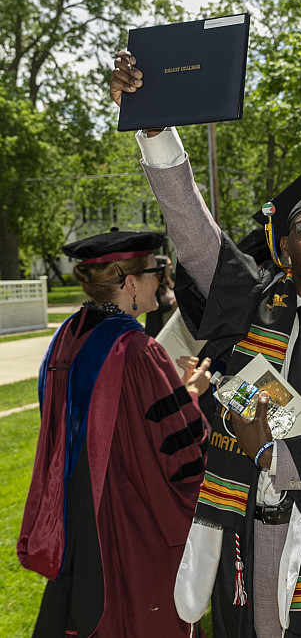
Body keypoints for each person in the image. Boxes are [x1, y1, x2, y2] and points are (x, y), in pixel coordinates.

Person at [111, 51, 301, 638]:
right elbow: (192, 228)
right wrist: (154, 128)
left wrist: (277, 455)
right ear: (285, 246)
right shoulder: (251, 298)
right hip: (245, 522)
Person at [19, 229, 212, 637]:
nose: (161, 279)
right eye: (155, 271)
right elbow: (178, 449)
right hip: (126, 512)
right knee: (130, 612)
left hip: (74, 504)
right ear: (129, 283)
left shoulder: (67, 337)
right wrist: (192, 394)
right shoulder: (137, 349)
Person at [144, 253, 177, 336]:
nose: (171, 267)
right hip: (159, 328)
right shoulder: (154, 285)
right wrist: (170, 305)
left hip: (171, 327)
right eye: (168, 265)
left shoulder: (169, 282)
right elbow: (153, 308)